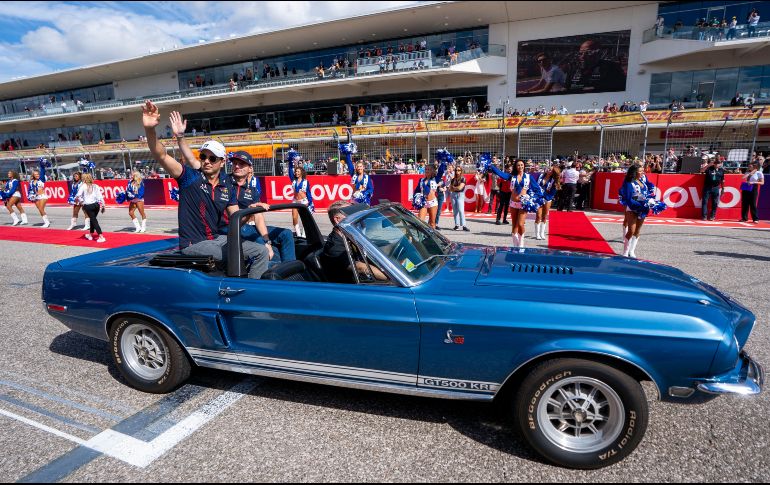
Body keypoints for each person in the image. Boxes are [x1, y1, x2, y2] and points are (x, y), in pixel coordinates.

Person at [142, 101, 269, 279]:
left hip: (216, 239)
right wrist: (150, 130)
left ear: (222, 162)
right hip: (193, 244)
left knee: (261, 251)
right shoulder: (189, 178)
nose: (207, 161)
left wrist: (251, 211)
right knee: (236, 256)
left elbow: (236, 220)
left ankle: (252, 291)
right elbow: (161, 155)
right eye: (203, 156)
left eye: (213, 158)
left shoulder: (227, 185)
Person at [320, 200, 387, 284]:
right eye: (351, 215)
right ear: (338, 219)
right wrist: (389, 277)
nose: (358, 219)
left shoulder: (350, 237)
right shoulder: (334, 247)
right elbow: (360, 267)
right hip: (348, 287)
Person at [487, 159, 543, 248]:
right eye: (518, 165)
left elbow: (537, 190)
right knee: (514, 226)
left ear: (524, 166)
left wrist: (532, 198)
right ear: (516, 167)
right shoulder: (512, 176)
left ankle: (521, 244)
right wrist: (492, 167)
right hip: (513, 203)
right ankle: (515, 246)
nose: (520, 167)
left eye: (522, 165)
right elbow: (501, 174)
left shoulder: (529, 177)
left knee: (520, 224)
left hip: (523, 203)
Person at [618, 164, 666, 258]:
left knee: (637, 230)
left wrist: (649, 201)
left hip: (643, 208)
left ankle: (632, 251)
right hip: (632, 208)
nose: (642, 173)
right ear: (634, 172)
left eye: (642, 171)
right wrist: (639, 204)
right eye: (640, 171)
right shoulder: (628, 182)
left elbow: (644, 194)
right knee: (631, 230)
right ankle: (625, 252)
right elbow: (629, 197)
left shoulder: (642, 181)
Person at [413, 150, 449, 229]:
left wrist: (443, 161)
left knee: (432, 223)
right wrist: (415, 197)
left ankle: (431, 236)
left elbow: (441, 171)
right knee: (420, 221)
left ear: (432, 171)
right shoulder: (421, 180)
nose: (427, 171)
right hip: (423, 202)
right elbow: (417, 190)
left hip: (432, 202)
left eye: (428, 169)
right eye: (426, 169)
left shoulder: (435, 179)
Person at [287, 149, 314, 238]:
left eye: (298, 172)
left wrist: (310, 202)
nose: (296, 173)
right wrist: (290, 162)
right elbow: (290, 171)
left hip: (303, 201)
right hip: (295, 201)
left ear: (301, 173)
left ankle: (304, 234)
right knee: (294, 218)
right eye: (296, 172)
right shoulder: (293, 180)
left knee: (304, 219)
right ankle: (298, 234)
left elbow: (309, 193)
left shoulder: (306, 181)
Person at [76, 173, 107, 243]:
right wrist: (103, 205)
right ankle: (90, 234)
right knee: (92, 220)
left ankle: (101, 236)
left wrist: (81, 202)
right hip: (96, 205)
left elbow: (78, 195)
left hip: (88, 206)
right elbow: (100, 196)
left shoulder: (83, 185)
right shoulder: (95, 186)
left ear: (84, 179)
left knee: (94, 221)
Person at [535, 165, 561, 240]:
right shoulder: (540, 176)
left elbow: (553, 192)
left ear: (552, 172)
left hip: (547, 199)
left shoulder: (553, 180)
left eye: (550, 170)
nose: (548, 170)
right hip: (538, 198)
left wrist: (546, 198)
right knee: (538, 215)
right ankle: (537, 234)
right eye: (548, 169)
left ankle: (542, 233)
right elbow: (534, 185)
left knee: (544, 216)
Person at [27, 159, 51, 228]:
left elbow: (42, 170)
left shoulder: (41, 179)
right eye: (35, 174)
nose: (37, 175)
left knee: (40, 208)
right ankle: (46, 222)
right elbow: (29, 190)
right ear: (33, 175)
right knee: (40, 209)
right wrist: (30, 196)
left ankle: (47, 223)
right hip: (36, 197)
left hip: (43, 196)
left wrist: (42, 163)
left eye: (38, 174)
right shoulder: (31, 182)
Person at [448, 165, 470, 232]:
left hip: (460, 194)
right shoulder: (453, 179)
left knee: (461, 210)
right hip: (453, 195)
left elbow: (460, 188)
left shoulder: (463, 179)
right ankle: (456, 225)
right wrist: (455, 188)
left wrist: (454, 188)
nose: (457, 171)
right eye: (456, 170)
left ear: (461, 171)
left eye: (459, 170)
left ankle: (464, 225)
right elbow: (450, 189)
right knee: (455, 211)